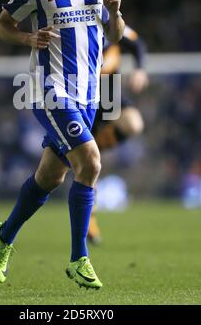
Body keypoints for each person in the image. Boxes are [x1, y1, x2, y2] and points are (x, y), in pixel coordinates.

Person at [0, 0, 124, 290]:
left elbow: (116, 35)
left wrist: (114, 13)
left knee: (50, 176)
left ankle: (4, 235)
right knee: (91, 161)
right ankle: (79, 258)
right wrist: (27, 39)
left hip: (88, 95)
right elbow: (2, 26)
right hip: (49, 89)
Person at [88, 25, 149, 243]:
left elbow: (137, 43)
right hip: (85, 97)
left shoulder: (112, 24)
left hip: (110, 93)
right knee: (88, 167)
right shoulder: (77, 28)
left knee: (133, 123)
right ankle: (89, 221)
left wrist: (140, 69)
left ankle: (92, 147)